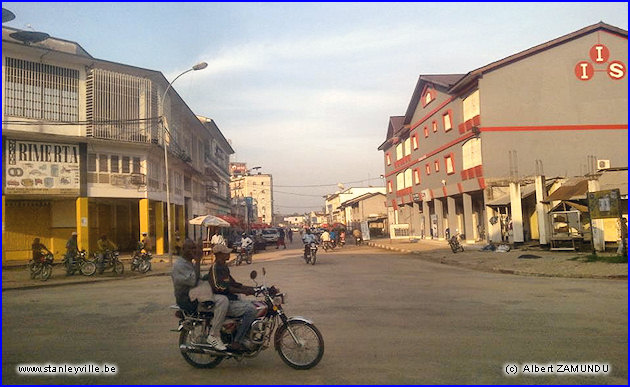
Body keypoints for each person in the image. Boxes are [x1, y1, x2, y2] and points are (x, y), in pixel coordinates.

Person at [209, 243, 257, 352]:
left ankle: (247, 335)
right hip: (223, 302)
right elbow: (219, 287)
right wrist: (242, 291)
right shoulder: (215, 267)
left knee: (254, 305)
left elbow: (233, 284)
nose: (229, 253)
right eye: (226, 252)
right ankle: (237, 341)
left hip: (231, 299)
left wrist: (251, 288)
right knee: (251, 310)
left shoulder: (224, 267)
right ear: (219, 254)